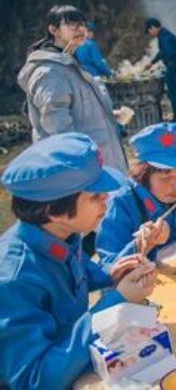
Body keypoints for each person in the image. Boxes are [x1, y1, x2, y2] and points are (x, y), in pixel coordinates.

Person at [0, 133, 156, 389]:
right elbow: (34, 380)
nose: (107, 199)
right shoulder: (13, 280)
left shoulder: (61, 234)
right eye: (95, 196)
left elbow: (80, 276)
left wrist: (113, 273)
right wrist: (114, 304)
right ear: (53, 210)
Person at [18, 5, 127, 172]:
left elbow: (76, 109)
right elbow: (57, 126)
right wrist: (81, 167)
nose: (80, 29)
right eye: (72, 24)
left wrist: (105, 114)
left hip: (101, 164)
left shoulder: (69, 63)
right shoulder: (50, 71)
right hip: (85, 169)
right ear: (54, 30)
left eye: (82, 24)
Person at [96, 123, 176, 269]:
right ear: (144, 173)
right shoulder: (121, 203)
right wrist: (142, 244)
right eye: (165, 176)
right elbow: (107, 266)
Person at [144, 17, 176, 124]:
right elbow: (162, 52)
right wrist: (152, 62)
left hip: (175, 68)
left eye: (149, 30)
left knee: (174, 93)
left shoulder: (165, 37)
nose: (150, 33)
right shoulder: (165, 35)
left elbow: (169, 53)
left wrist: (164, 65)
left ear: (153, 28)